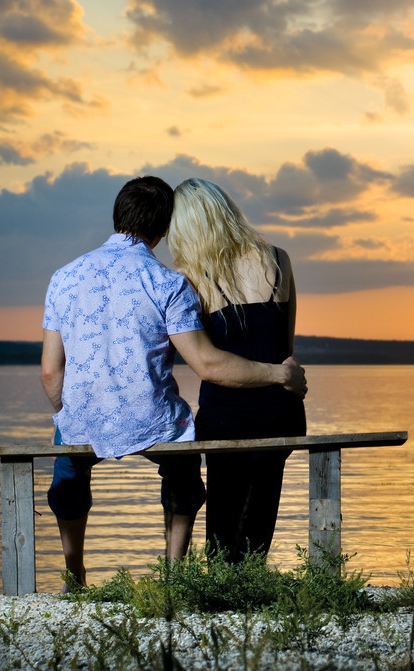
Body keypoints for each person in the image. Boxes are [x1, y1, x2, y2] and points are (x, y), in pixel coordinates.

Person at [40, 176, 306, 591]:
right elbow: (230, 355)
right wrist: (278, 374)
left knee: (68, 469)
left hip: (125, 414)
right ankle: (175, 575)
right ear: (163, 229)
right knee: (194, 480)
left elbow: (51, 372)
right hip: (225, 414)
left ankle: (75, 575)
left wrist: (67, 414)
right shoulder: (176, 281)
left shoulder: (67, 277)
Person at [167, 178, 306, 562]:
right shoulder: (279, 259)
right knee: (258, 521)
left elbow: (208, 364)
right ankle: (251, 594)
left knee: (223, 532)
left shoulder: (190, 279)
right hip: (282, 413)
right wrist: (278, 376)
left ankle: (224, 600)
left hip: (226, 417)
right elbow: (285, 350)